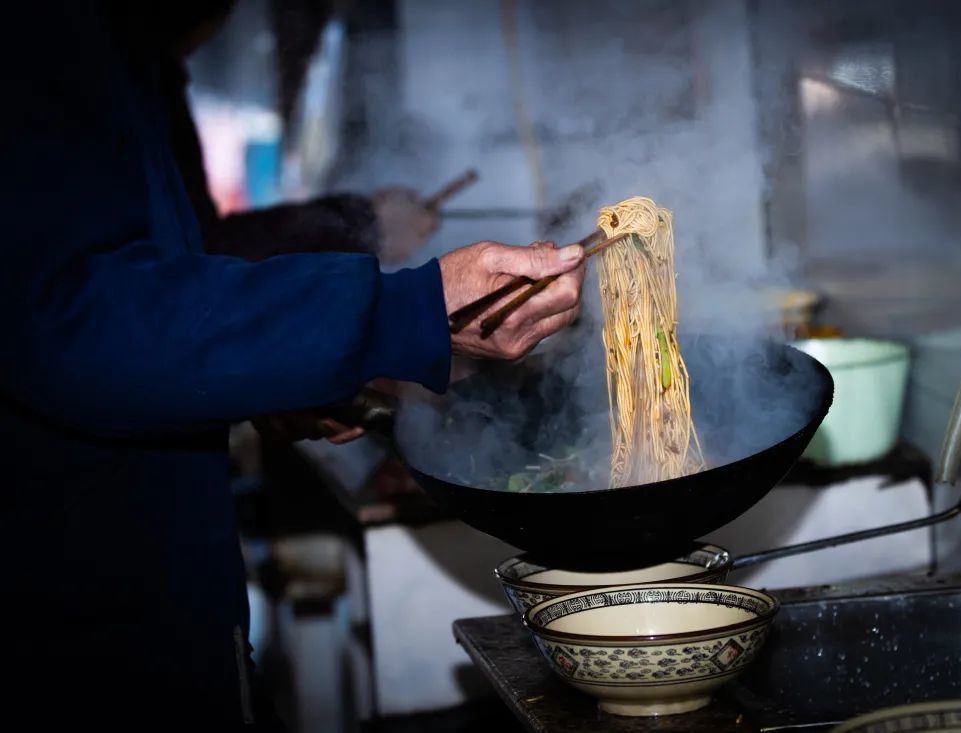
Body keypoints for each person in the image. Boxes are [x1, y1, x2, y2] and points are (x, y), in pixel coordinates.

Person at [1, 2, 585, 729]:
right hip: (69, 639)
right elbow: (74, 317)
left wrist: (264, 380)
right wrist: (408, 309)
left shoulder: (114, 55)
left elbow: (160, 290)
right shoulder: (38, 31)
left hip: (145, 603)